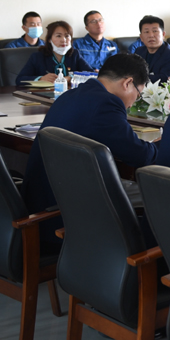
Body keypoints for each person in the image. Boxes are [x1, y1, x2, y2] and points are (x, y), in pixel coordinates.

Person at [22, 53, 159, 242]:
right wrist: (161, 145)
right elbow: (140, 156)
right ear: (128, 83)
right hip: (67, 212)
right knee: (157, 195)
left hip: (43, 202)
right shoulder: (106, 103)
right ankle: (143, 252)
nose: (134, 101)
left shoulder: (70, 95)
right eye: (138, 93)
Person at [16, 21, 94, 83]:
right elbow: (20, 79)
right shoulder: (37, 57)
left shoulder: (75, 54)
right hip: (44, 94)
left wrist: (70, 78)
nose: (63, 40)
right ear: (49, 40)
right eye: (58, 36)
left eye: (67, 36)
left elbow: (92, 74)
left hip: (71, 94)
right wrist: (41, 79)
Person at [133, 15, 170, 83]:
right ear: (141, 37)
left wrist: (136, 78)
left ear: (163, 34)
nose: (151, 35)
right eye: (146, 32)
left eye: (155, 31)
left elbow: (166, 79)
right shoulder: (139, 51)